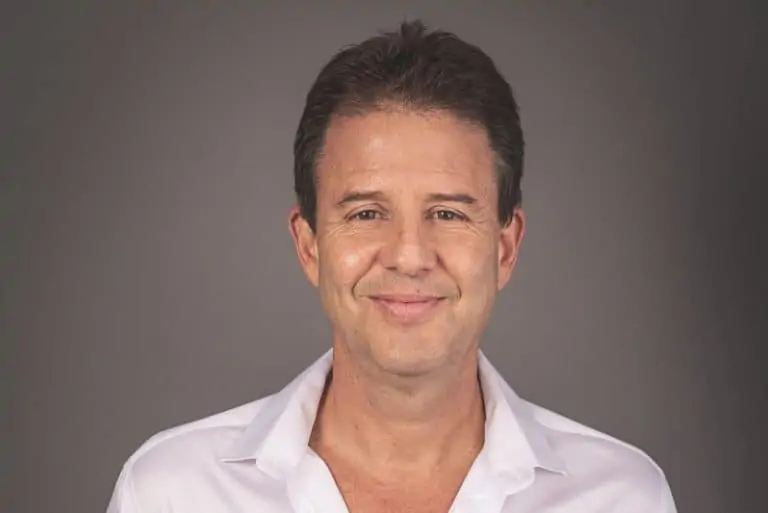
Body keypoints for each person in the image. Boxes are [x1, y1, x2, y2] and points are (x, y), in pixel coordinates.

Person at [106, 20, 677, 513]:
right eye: (367, 213)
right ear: (309, 245)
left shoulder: (623, 498)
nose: (408, 255)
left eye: (448, 213)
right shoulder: (172, 492)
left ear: (505, 248)